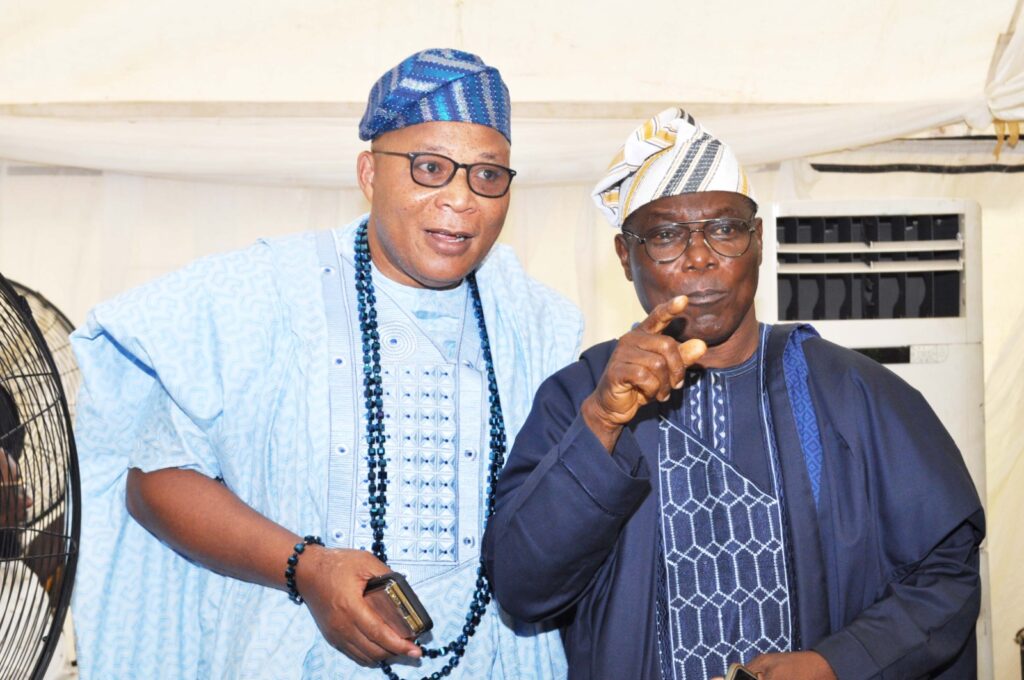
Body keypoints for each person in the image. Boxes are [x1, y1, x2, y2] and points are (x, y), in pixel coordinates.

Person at [71, 48, 580, 679]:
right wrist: (306, 568)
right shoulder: (262, 292)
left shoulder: (537, 322)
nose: (461, 199)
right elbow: (154, 483)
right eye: (430, 168)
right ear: (369, 172)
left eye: (488, 175)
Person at [482, 108, 984, 680]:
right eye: (666, 236)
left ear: (758, 241)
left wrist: (836, 663)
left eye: (724, 229)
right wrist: (601, 422)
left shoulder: (852, 392)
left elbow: (946, 575)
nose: (700, 257)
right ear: (625, 257)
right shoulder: (578, 397)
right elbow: (523, 588)